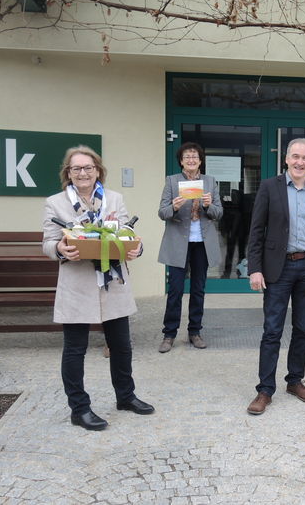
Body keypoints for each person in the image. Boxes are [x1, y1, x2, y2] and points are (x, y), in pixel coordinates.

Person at [42, 146, 154, 431]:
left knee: (122, 346)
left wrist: (136, 248)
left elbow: (127, 233)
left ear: (98, 171)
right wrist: (60, 248)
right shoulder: (55, 203)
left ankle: (126, 397)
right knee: (75, 349)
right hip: (77, 283)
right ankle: (79, 409)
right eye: (76, 168)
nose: (83, 173)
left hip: (112, 282)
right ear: (68, 173)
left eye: (88, 168)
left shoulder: (114, 198)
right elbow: (48, 243)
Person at [245, 138, 305, 415]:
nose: (299, 162)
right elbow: (256, 230)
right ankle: (264, 389)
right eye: (295, 156)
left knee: (303, 329)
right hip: (277, 269)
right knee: (272, 330)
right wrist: (255, 268)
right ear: (286, 158)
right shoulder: (270, 187)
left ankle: (295, 380)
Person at [157, 142, 223, 353]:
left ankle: (195, 331)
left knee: (198, 289)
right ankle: (169, 334)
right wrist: (174, 208)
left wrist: (208, 205)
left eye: (195, 156)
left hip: (201, 242)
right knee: (175, 290)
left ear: (200, 160)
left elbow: (219, 213)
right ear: (181, 161)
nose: (191, 160)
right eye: (187, 157)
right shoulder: (172, 181)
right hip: (178, 241)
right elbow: (162, 212)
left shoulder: (210, 182)